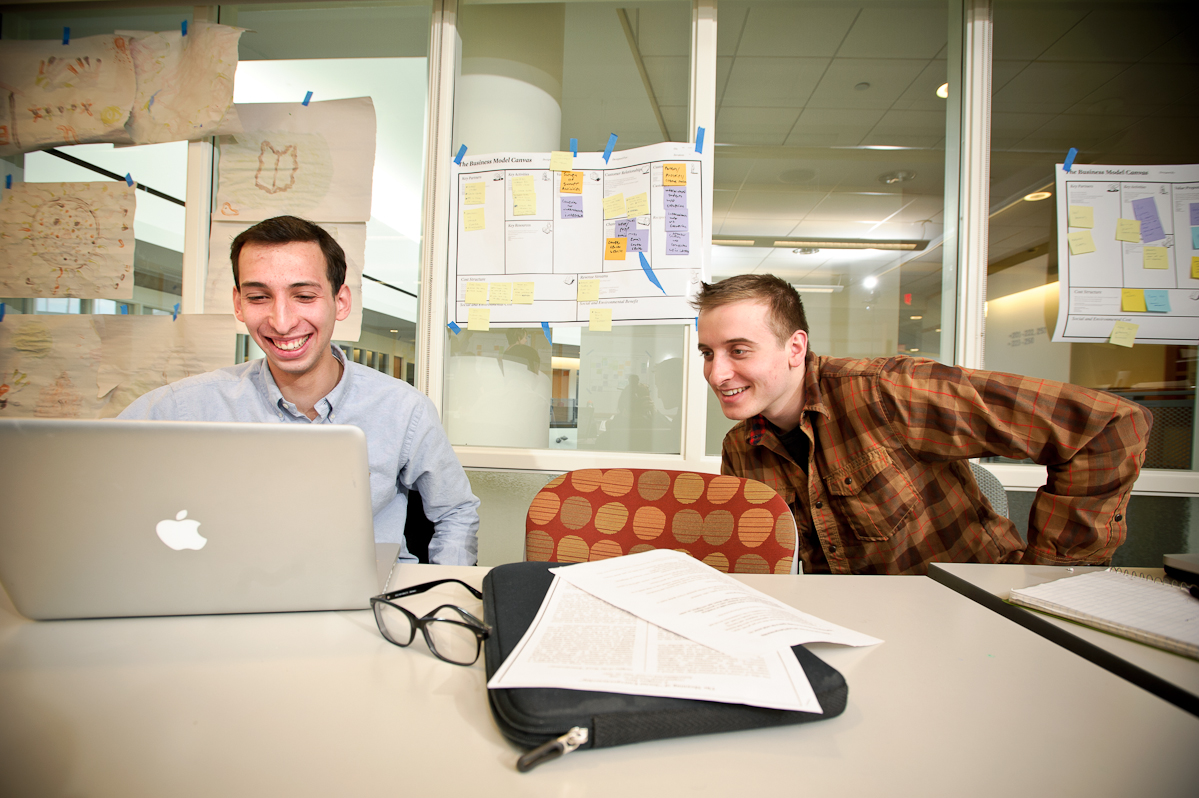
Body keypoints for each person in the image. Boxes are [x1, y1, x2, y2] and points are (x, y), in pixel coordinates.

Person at [694, 274, 1150, 575]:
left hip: (972, 615)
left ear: (795, 348)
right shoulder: (741, 446)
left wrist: (1049, 577)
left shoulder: (887, 391)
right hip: (864, 628)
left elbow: (1107, 426)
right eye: (708, 353)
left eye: (739, 350)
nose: (717, 374)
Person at [120, 216, 479, 565]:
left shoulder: (404, 409)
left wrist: (445, 596)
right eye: (259, 297)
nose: (282, 321)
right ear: (238, 304)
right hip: (229, 599)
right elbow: (91, 483)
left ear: (340, 302)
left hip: (368, 602)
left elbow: (456, 512)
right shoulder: (184, 406)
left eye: (304, 296)